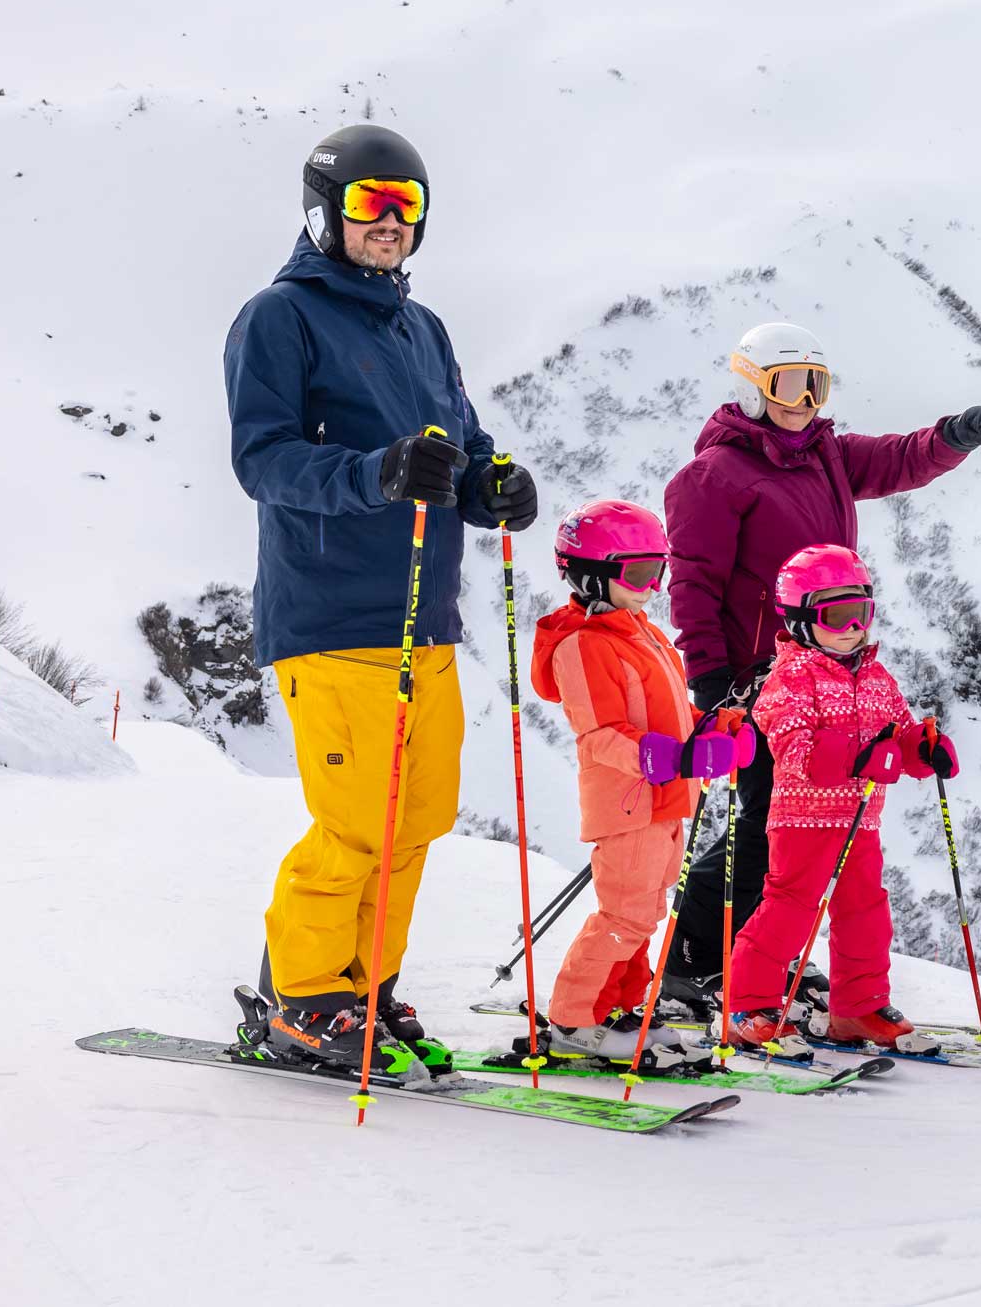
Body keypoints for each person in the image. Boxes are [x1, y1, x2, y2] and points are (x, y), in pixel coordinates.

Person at [222, 123, 539, 1068]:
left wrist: (492, 486)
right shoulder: (279, 317)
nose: (390, 223)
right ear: (326, 209)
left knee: (416, 821)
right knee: (359, 821)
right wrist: (377, 472)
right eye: (370, 204)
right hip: (332, 613)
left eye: (407, 206)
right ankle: (304, 999)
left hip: (423, 617)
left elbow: (463, 444)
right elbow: (263, 458)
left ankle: (363, 985)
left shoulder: (420, 327)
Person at [658, 320, 981, 1006]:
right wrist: (711, 680)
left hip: (826, 671)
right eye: (788, 384)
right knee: (770, 828)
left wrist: (955, 434)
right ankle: (695, 957)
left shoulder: (823, 455)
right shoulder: (712, 477)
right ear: (753, 388)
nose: (805, 400)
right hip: (760, 683)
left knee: (798, 832)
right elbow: (694, 583)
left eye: (816, 385)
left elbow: (895, 458)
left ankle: (746, 958)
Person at [724, 545, 958, 1054]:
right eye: (839, 615)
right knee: (789, 910)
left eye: (862, 613)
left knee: (866, 912)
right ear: (803, 619)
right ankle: (749, 1005)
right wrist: (862, 756)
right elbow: (794, 748)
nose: (854, 627)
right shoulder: (789, 677)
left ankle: (857, 1008)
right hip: (802, 821)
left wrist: (924, 749)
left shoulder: (876, 678)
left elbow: (896, 737)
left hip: (861, 820)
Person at [527, 499, 720, 1066]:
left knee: (647, 910)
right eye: (638, 573)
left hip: (665, 800)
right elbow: (598, 735)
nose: (653, 584)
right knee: (624, 914)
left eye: (658, 570)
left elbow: (669, 711)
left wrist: (712, 728)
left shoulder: (643, 630)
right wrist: (667, 756)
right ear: (591, 576)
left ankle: (620, 1005)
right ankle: (574, 1019)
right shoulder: (583, 645)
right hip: (628, 802)